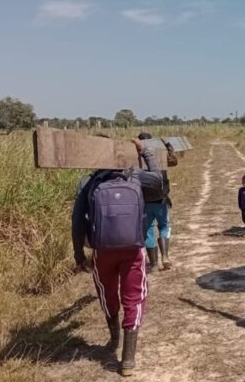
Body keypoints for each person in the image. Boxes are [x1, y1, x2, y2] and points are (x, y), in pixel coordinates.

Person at [71, 139, 164, 376]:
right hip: (133, 249)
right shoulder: (135, 177)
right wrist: (145, 151)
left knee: (108, 292)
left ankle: (114, 338)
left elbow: (77, 220)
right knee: (134, 297)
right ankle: (127, 360)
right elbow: (159, 180)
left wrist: (79, 254)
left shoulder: (89, 181)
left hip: (102, 250)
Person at [137, 132, 175, 271]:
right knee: (164, 227)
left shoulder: (134, 158)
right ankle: (165, 257)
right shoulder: (159, 156)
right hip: (161, 200)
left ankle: (153, 264)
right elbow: (174, 160)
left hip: (145, 201)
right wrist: (167, 145)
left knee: (148, 231)